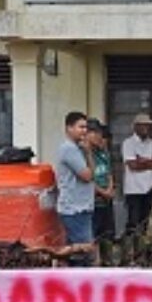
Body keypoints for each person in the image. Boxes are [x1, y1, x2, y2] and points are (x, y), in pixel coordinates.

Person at [121, 112, 152, 258]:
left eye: (148, 125)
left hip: (149, 188)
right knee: (133, 222)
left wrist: (143, 161)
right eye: (144, 125)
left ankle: (142, 252)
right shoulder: (128, 143)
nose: (147, 128)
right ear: (136, 127)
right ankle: (130, 253)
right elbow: (132, 165)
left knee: (146, 222)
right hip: (133, 189)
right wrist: (150, 162)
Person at [55, 110, 95, 266]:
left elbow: (93, 173)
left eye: (86, 128)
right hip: (74, 208)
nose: (84, 131)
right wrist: (89, 152)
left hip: (81, 207)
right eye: (81, 127)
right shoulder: (69, 149)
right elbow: (87, 175)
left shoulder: (78, 149)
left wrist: (87, 152)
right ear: (69, 128)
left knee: (76, 253)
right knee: (83, 253)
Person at [86, 119, 116, 265]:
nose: (100, 138)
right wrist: (103, 192)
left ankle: (107, 262)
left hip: (106, 199)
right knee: (94, 235)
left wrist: (110, 189)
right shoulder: (85, 155)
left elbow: (109, 172)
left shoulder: (103, 152)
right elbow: (88, 180)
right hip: (94, 201)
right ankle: (95, 264)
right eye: (97, 134)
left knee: (108, 234)